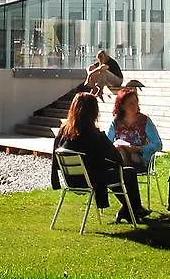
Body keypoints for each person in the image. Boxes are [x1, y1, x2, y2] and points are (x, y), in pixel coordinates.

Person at [50, 92, 138, 224]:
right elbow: (116, 158)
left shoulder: (64, 131)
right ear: (94, 112)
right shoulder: (93, 134)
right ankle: (133, 210)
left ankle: (130, 210)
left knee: (107, 172)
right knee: (127, 172)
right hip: (91, 181)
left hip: (71, 179)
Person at [106, 87, 162, 219]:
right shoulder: (116, 122)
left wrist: (138, 149)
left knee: (120, 170)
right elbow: (107, 144)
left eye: (136, 102)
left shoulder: (145, 121)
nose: (134, 106)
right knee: (120, 150)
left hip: (140, 160)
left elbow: (158, 144)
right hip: (121, 160)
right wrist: (116, 145)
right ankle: (132, 208)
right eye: (130, 103)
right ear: (122, 105)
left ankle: (128, 208)